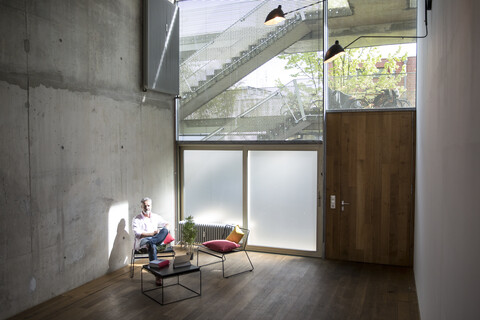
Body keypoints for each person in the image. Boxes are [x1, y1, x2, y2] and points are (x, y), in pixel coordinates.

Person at [132, 197, 170, 285]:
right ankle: (157, 276)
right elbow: (138, 234)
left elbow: (167, 223)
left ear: (151, 206)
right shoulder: (136, 219)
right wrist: (152, 234)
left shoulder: (155, 216)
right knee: (152, 245)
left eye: (148, 205)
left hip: (155, 239)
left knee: (164, 230)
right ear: (141, 206)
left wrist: (166, 227)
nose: (147, 208)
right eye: (145, 206)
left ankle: (152, 242)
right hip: (143, 241)